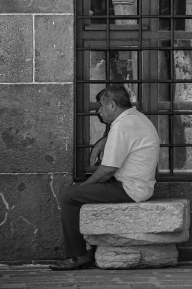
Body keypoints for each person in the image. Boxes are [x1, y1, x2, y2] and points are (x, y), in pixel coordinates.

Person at [50, 84, 160, 271]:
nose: (99, 111)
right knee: (78, 191)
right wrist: (104, 139)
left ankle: (78, 255)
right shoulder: (135, 118)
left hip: (129, 188)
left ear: (112, 106)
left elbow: (108, 170)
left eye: (101, 106)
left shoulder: (122, 126)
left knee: (70, 196)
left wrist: (84, 186)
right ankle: (88, 246)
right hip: (135, 185)